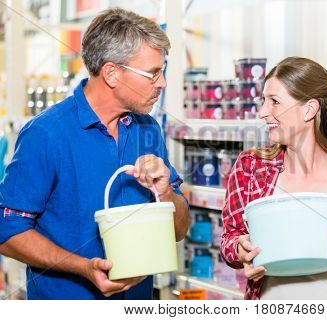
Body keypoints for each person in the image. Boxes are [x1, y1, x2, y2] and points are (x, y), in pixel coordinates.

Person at [0, 8, 189, 300]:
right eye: (153, 73)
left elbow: (177, 231)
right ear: (112, 73)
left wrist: (166, 194)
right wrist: (83, 267)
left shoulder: (147, 129)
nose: (162, 83)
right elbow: (7, 232)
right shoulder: (46, 134)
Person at [220, 57, 327, 300]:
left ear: (309, 109)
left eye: (274, 102)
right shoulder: (250, 167)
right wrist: (239, 248)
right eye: (263, 101)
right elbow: (229, 240)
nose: (263, 112)